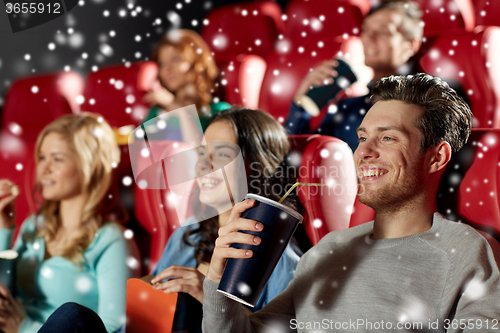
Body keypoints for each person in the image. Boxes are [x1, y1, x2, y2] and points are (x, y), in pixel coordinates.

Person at [203, 73, 500, 332]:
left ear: (436, 157)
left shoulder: (466, 252)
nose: (363, 152)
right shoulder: (327, 250)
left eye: (387, 139)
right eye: (362, 138)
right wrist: (219, 283)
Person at [37, 108, 302, 333]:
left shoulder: (281, 258)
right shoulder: (189, 235)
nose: (204, 164)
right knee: (71, 317)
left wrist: (206, 294)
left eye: (221, 154)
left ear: (256, 165)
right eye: (201, 153)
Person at [0, 113, 131, 333]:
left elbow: (114, 328)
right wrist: (4, 228)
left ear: (88, 166)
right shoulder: (33, 225)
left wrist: (25, 328)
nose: (44, 169)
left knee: (70, 313)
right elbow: (4, 290)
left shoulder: (111, 239)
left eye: (57, 159)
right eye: (42, 157)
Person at [285, 1, 423, 152]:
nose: (369, 38)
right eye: (366, 29)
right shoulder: (347, 109)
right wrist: (300, 105)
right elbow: (300, 157)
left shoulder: (432, 100)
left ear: (411, 44)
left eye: (384, 31)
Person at [142, 29, 231, 145]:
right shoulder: (156, 112)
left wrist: (180, 111)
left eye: (176, 59)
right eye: (161, 64)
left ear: (197, 62)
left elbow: (202, 157)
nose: (167, 69)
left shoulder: (219, 112)